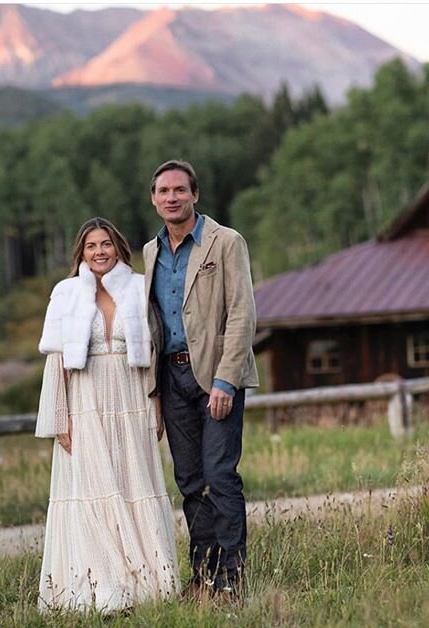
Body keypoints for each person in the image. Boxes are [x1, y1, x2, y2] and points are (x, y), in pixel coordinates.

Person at [35, 217, 179, 613]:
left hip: (132, 400)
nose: (100, 252)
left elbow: (153, 355)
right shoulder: (66, 293)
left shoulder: (137, 288)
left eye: (106, 244)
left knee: (135, 484)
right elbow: (57, 361)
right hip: (86, 401)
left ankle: (149, 584)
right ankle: (102, 588)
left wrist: (157, 405)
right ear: (81, 253)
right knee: (93, 489)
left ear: (119, 248)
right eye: (91, 246)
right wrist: (59, 415)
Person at [143, 160, 258, 600]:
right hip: (171, 378)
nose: (172, 197)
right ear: (154, 200)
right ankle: (204, 576)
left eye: (179, 190)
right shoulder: (151, 252)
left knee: (220, 475)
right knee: (190, 481)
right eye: (163, 191)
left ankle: (232, 577)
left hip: (215, 375)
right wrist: (153, 391)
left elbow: (243, 313)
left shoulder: (225, 242)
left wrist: (227, 380)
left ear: (195, 195)